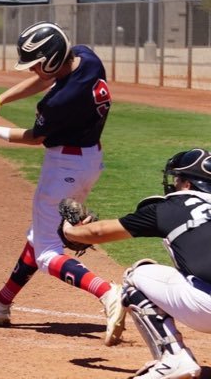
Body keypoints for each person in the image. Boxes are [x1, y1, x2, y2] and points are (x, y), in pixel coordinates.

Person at [0, 21, 126, 347]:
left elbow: (34, 138)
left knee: (47, 252)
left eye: (34, 62)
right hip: (88, 161)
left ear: (50, 58)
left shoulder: (59, 102)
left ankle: (107, 292)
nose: (31, 68)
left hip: (64, 167)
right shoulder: (87, 58)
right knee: (39, 237)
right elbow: (44, 79)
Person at [60, 147, 211, 378]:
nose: (174, 183)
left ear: (188, 184)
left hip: (206, 309)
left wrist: (69, 231)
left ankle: (174, 359)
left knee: (138, 275)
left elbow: (98, 232)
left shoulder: (169, 208)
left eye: (177, 178)